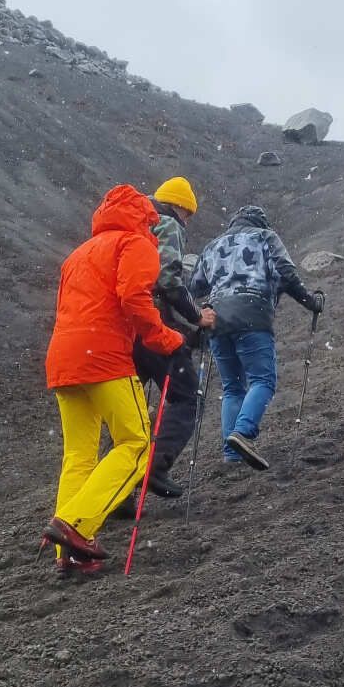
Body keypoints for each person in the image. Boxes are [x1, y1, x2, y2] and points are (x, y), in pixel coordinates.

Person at [43, 184, 184, 576]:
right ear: (142, 217)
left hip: (64, 361)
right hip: (104, 358)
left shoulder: (78, 254)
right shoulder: (135, 244)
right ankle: (76, 525)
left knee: (79, 456)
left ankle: (67, 554)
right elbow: (134, 300)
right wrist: (168, 340)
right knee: (137, 443)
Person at [190, 205, 323, 471]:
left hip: (217, 318)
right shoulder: (265, 237)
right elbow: (285, 271)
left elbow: (196, 285)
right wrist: (310, 302)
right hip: (252, 314)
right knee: (263, 380)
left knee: (232, 387)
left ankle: (232, 454)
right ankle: (243, 431)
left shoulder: (214, 245)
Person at [130, 176, 216, 499]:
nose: (187, 221)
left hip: (124, 328)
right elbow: (167, 281)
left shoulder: (134, 224)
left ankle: (119, 491)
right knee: (187, 396)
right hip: (150, 322)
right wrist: (198, 316)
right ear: (179, 206)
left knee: (130, 409)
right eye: (188, 214)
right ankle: (155, 466)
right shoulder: (166, 223)